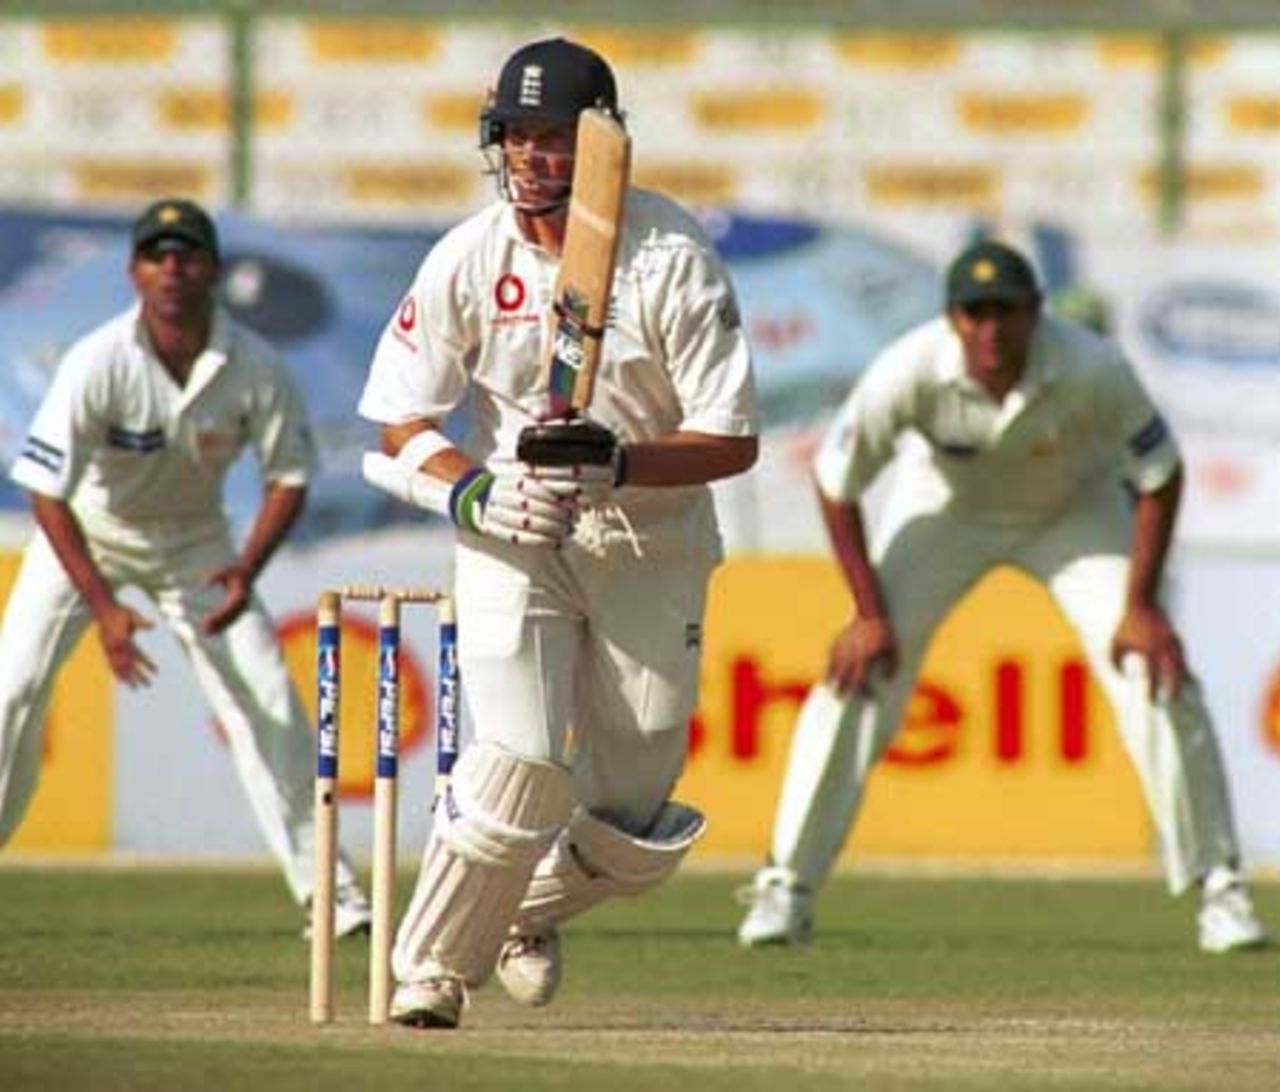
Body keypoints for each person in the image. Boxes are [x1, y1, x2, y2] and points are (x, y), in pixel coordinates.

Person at [357, 37, 758, 1029]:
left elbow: (731, 439)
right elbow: (400, 419)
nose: (533, 157)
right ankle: (433, 970)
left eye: (555, 139)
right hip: (517, 533)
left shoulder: (671, 259)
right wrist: (472, 493)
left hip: (648, 543)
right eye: (519, 135)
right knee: (522, 760)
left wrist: (618, 463)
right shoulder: (468, 255)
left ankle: (516, 912)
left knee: (635, 818)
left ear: (601, 144)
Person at [737, 240, 1266, 955]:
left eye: (1005, 311)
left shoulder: (1092, 366)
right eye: (974, 313)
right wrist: (867, 615)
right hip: (945, 508)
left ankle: (1220, 890)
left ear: (1035, 311)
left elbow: (1160, 473)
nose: (990, 329)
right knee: (858, 675)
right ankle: (785, 886)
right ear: (952, 318)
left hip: (1074, 511)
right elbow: (837, 483)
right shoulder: (909, 368)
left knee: (1155, 669)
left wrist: (1141, 607)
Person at [0, 197, 370, 937]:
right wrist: (104, 607)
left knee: (267, 699)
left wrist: (246, 569)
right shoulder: (98, 360)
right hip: (90, 532)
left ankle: (332, 899)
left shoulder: (254, 364)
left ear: (213, 270)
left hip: (198, 544)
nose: (172, 269)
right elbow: (46, 492)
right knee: (13, 691)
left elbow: (289, 476)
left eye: (188, 255)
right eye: (157, 255)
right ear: (134, 272)